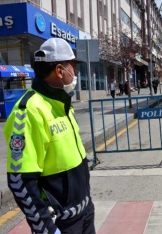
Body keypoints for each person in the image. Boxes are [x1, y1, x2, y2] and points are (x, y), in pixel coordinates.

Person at [4, 38, 95, 234]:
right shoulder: (28, 111)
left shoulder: (62, 103)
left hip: (84, 212)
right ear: (60, 70)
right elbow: (20, 181)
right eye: (74, 67)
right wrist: (46, 228)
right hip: (61, 223)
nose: (76, 73)